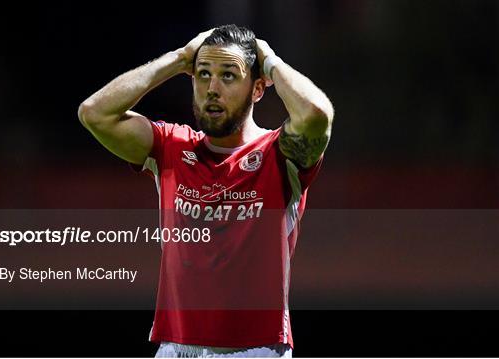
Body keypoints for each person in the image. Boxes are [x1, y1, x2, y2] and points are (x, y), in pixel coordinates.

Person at [78, 24, 334, 358]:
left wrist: (270, 61)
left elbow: (315, 114)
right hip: (176, 350)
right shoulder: (170, 146)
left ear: (257, 89)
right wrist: (178, 58)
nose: (212, 88)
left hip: (257, 351)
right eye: (202, 74)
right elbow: (94, 113)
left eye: (228, 76)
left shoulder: (279, 154)